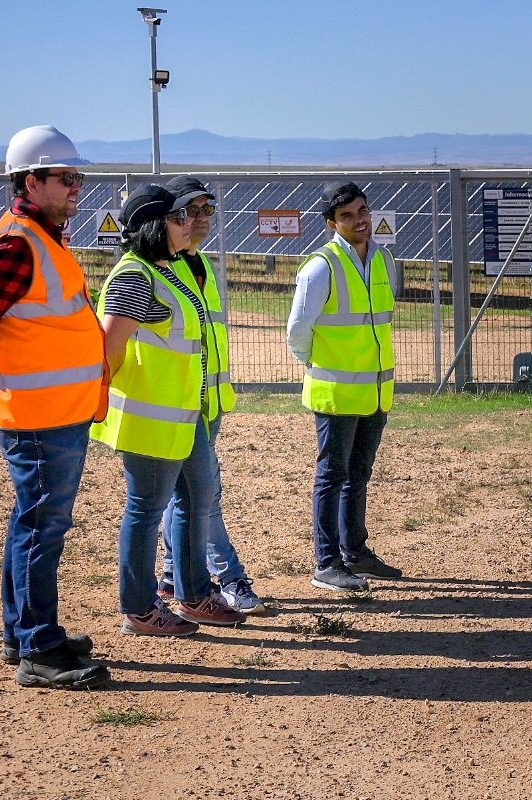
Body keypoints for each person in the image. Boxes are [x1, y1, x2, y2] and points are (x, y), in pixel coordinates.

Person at [0, 125, 108, 688]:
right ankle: (39, 649)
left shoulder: (41, 235)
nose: (77, 187)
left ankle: (25, 635)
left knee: (32, 522)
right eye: (66, 178)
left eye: (78, 176)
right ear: (31, 180)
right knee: (43, 528)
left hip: (54, 411)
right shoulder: (19, 243)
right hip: (40, 417)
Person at [90, 184, 248, 636]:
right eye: (179, 217)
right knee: (145, 508)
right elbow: (108, 352)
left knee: (198, 496)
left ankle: (194, 594)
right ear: (154, 226)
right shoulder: (134, 276)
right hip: (150, 421)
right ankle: (139, 609)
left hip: (183, 416)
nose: (190, 222)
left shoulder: (171, 269)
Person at [146, 175, 266, 614]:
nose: (199, 219)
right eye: (190, 211)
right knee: (200, 493)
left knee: (186, 496)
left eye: (206, 210)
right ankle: (225, 575)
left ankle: (173, 576)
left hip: (207, 403)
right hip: (177, 404)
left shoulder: (202, 265)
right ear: (170, 218)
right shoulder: (161, 266)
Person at [287, 181, 405, 592]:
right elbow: (298, 331)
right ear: (331, 223)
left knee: (359, 473)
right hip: (336, 393)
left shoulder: (385, 260)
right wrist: (317, 365)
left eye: (362, 211)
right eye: (348, 216)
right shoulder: (321, 266)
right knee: (332, 476)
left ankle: (355, 551)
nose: (359, 221)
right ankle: (327, 562)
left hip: (374, 392)